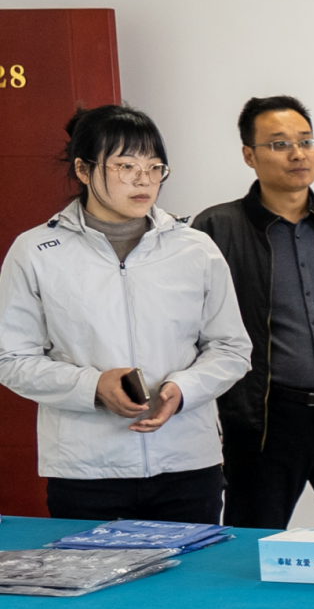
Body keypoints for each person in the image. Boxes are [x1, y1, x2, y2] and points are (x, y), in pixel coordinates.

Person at [0, 105, 250, 523]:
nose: (143, 180)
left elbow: (231, 348)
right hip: (86, 470)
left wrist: (183, 389)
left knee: (192, 569)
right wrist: (93, 386)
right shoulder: (36, 251)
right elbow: (11, 359)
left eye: (155, 168)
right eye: (125, 166)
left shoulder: (195, 249)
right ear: (83, 170)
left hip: (187, 463)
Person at [192, 96, 314, 530]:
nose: (298, 154)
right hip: (265, 418)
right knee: (251, 540)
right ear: (249, 155)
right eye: (279, 144)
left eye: (306, 141)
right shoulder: (216, 228)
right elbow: (195, 331)